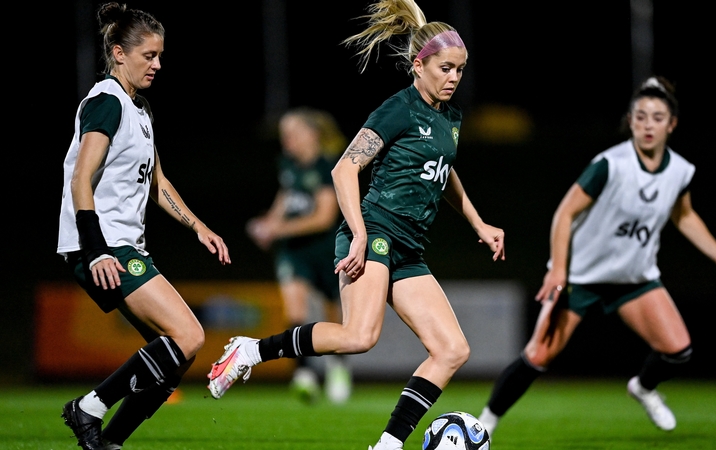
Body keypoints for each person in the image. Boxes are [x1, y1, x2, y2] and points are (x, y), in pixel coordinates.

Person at [206, 0, 505, 448]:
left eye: (460, 70)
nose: (453, 78)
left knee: (452, 350)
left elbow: (442, 171)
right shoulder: (398, 108)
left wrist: (478, 222)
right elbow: (344, 169)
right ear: (418, 66)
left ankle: (387, 444)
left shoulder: (451, 118)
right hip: (376, 232)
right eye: (445, 68)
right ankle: (250, 350)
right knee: (358, 336)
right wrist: (361, 234)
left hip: (409, 246)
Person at [477, 76, 716, 437]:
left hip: (634, 277)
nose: (647, 125)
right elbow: (564, 213)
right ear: (630, 120)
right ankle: (485, 423)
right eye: (640, 116)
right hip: (580, 276)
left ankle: (643, 387)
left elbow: (684, 215)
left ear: (671, 124)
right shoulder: (610, 165)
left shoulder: (680, 171)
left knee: (679, 350)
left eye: (657, 118)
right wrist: (558, 271)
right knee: (538, 356)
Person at [57, 3, 230, 449]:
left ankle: (109, 442)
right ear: (118, 53)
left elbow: (157, 183)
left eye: (159, 55)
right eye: (148, 55)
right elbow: (81, 178)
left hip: (121, 245)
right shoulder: (106, 103)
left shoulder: (139, 109)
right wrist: (95, 248)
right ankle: (88, 408)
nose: (157, 64)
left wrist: (198, 227)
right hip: (103, 246)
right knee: (189, 335)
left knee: (175, 359)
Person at [245, 107, 352, 404]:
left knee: (336, 313)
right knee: (295, 311)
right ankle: (303, 373)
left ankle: (337, 366)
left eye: (292, 134)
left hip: (327, 248)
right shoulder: (289, 164)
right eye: (284, 135)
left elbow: (323, 217)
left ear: (312, 134)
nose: (287, 141)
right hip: (294, 251)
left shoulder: (328, 166)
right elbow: (285, 196)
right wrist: (269, 224)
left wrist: (277, 229)